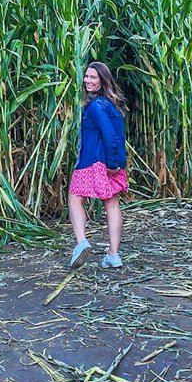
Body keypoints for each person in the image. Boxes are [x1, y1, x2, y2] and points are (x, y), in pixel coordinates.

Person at [67, 61, 128, 269]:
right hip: (112, 162)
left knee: (75, 199)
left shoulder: (95, 107)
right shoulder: (112, 104)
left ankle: (81, 242)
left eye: (93, 77)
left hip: (93, 161)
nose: (87, 80)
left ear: (102, 80)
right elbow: (119, 135)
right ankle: (113, 254)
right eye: (86, 76)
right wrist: (119, 162)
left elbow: (109, 135)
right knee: (111, 204)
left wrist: (112, 163)